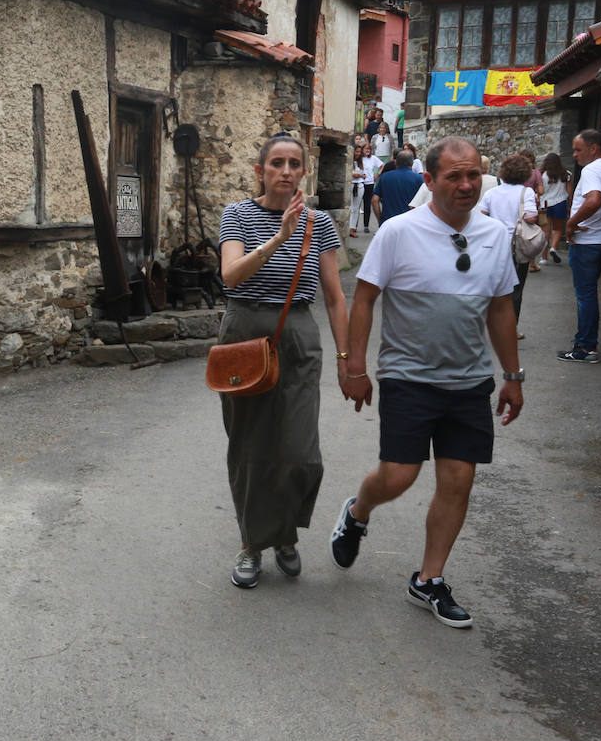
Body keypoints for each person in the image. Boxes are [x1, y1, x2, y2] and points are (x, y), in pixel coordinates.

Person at [332, 136, 523, 629]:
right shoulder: (398, 232)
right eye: (453, 177)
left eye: (473, 175)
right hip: (408, 375)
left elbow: (501, 308)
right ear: (429, 180)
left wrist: (512, 375)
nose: (465, 185)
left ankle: (429, 580)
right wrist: (354, 368)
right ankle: (357, 511)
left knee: (458, 480)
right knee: (399, 476)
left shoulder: (494, 235)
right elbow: (365, 298)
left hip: (469, 381)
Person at [216, 135, 351, 589]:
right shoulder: (237, 215)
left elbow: (334, 298)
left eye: (295, 163)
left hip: (297, 335)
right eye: (277, 163)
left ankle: (285, 532)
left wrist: (346, 358)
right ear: (261, 171)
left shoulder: (319, 224)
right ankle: (253, 544)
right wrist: (278, 239)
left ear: (304, 171)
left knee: (299, 452)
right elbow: (231, 275)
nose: (286, 171)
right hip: (244, 333)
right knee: (251, 447)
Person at [557, 129, 601, 363]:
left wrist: (571, 223)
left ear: (594, 148)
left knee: (585, 294)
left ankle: (585, 347)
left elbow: (594, 199)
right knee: (589, 292)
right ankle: (586, 344)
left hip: (587, 241)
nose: (574, 155)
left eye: (578, 149)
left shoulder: (592, 170)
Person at [478, 154, 539, 335]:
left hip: (495, 246)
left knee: (494, 285)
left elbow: (481, 216)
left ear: (503, 172)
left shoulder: (492, 192)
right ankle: (511, 329)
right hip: (518, 246)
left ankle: (488, 324)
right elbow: (531, 217)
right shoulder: (525, 192)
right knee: (516, 289)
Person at [371, 150, 421, 225]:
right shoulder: (419, 179)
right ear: (412, 163)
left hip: (389, 222)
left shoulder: (385, 177)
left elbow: (374, 200)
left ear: (395, 162)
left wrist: (380, 220)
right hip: (410, 223)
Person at [539, 151, 570, 265]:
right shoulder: (566, 174)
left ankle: (544, 258)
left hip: (545, 204)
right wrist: (570, 205)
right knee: (557, 229)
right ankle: (553, 247)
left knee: (545, 232)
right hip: (560, 203)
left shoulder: (542, 174)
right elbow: (569, 191)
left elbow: (539, 191)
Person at [350, 143, 382, 237]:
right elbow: (353, 173)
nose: (359, 153)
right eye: (358, 151)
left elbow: (382, 165)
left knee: (365, 205)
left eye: (369, 149)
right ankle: (352, 226)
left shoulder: (369, 159)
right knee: (353, 207)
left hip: (365, 184)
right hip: (354, 184)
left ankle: (364, 225)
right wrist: (358, 175)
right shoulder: (355, 160)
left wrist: (377, 175)